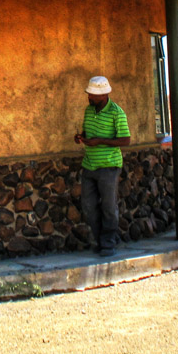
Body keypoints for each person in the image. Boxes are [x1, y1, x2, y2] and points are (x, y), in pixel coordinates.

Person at [74, 75, 131, 257]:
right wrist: (81, 137)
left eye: (93, 95)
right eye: (89, 94)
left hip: (109, 166)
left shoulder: (117, 113)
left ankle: (108, 242)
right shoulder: (89, 111)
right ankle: (102, 239)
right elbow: (87, 131)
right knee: (89, 206)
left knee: (108, 206)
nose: (89, 97)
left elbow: (125, 140)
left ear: (104, 95)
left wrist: (100, 141)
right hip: (89, 164)